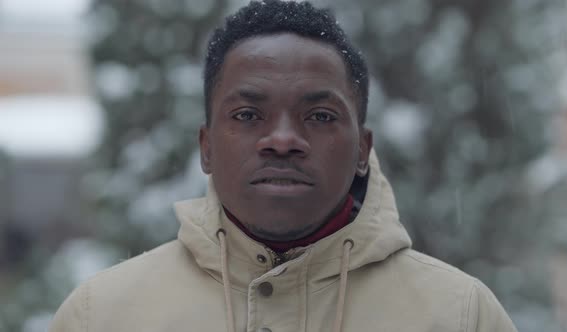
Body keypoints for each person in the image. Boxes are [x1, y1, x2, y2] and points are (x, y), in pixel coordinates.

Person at [50, 0, 518, 331]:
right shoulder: (101, 316)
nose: (282, 140)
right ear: (207, 146)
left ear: (362, 149)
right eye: (248, 115)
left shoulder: (461, 315)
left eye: (319, 115)